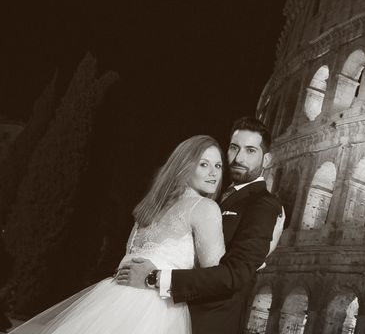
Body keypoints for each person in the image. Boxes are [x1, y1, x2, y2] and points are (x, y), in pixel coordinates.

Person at [10, 135, 226, 334]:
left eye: (218, 165)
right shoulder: (204, 208)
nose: (213, 173)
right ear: (185, 167)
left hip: (111, 299)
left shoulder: (150, 207)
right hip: (156, 309)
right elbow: (216, 276)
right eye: (204, 164)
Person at [119, 117, 284, 334]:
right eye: (234, 148)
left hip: (208, 322)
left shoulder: (264, 204)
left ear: (267, 159)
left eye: (250, 151)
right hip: (167, 313)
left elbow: (236, 274)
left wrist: (155, 277)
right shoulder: (208, 196)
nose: (239, 158)